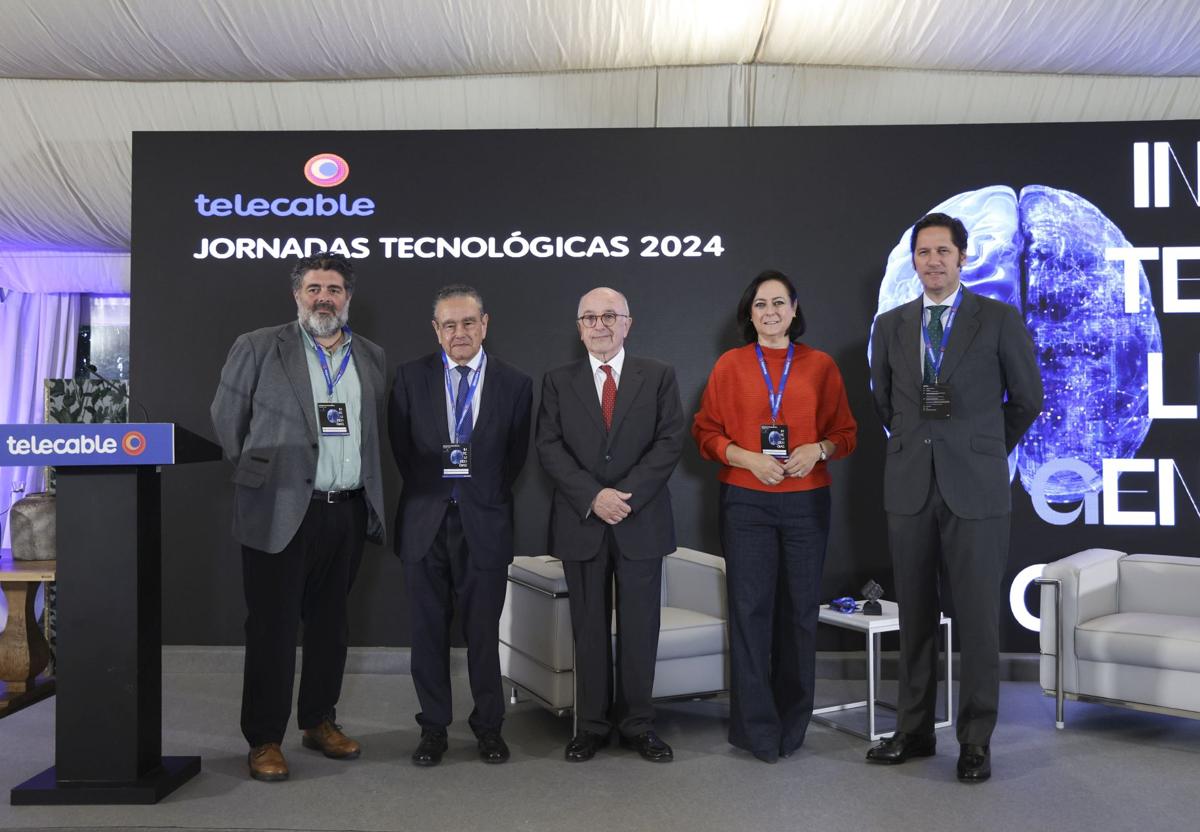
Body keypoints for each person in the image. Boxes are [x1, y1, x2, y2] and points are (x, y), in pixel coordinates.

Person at [866, 213, 1043, 782]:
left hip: (977, 488)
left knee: (977, 621)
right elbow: (885, 403)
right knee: (914, 617)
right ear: (913, 261)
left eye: (943, 251)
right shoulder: (892, 325)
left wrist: (984, 446)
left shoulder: (996, 319)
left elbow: (1028, 399)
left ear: (962, 258)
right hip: (910, 486)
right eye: (923, 252)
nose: (933, 261)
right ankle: (914, 732)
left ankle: (974, 740)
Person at [210, 252, 387, 782]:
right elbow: (226, 418)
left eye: (334, 289)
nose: (323, 297)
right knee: (272, 628)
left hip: (347, 511)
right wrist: (262, 477)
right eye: (314, 288)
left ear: (347, 298)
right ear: (297, 295)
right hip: (279, 511)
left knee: (331, 626)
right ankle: (264, 738)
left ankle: (318, 721)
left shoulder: (372, 356)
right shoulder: (260, 345)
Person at [692, 269, 857, 763]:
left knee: (799, 615)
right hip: (746, 502)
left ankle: (792, 724)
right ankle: (756, 730)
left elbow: (847, 432)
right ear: (749, 314)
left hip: (807, 501)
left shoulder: (821, 365)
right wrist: (748, 458)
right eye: (760, 305)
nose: (769, 312)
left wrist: (819, 449)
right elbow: (705, 433)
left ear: (794, 309)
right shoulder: (731, 365)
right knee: (750, 613)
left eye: (778, 303)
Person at [535, 287, 685, 763]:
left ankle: (639, 725)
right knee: (588, 627)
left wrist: (624, 498)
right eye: (590, 317)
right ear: (579, 327)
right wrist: (592, 497)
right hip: (583, 522)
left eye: (609, 316)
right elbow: (549, 446)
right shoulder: (558, 380)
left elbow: (669, 441)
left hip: (640, 521)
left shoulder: (659, 376)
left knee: (642, 629)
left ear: (627, 323)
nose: (599, 325)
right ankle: (592, 726)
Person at [388, 285, 532, 767]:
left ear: (485, 324)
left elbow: (514, 458)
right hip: (425, 523)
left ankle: (489, 727)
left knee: (483, 634)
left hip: (485, 523)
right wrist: (441, 491)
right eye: (449, 325)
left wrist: (475, 493)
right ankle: (433, 729)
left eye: (469, 323)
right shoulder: (409, 379)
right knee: (426, 634)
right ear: (436, 330)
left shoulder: (515, 384)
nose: (460, 333)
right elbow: (403, 452)